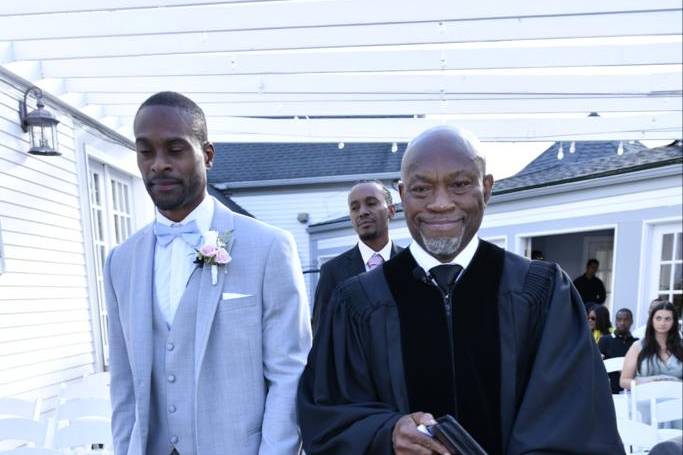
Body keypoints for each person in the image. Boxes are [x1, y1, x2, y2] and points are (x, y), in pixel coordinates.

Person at [298, 126, 624, 454]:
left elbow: (575, 419)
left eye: (460, 184)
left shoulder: (541, 292)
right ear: (402, 194)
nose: (440, 204)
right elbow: (327, 417)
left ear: (486, 188)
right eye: (421, 188)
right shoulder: (357, 302)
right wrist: (386, 433)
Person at [105, 91, 312, 455]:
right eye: (146, 151)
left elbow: (289, 375)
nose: (158, 164)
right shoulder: (121, 261)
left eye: (175, 149)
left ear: (208, 155)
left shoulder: (268, 247)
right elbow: (123, 385)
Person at [311, 180, 402, 334]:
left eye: (371, 203)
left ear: (391, 211)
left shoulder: (410, 264)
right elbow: (322, 334)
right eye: (355, 208)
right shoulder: (332, 272)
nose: (362, 212)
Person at [620, 300, 683, 390]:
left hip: (676, 400)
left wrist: (673, 383)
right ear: (652, 320)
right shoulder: (637, 346)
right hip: (645, 400)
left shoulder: (681, 346)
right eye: (658, 318)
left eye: (667, 319)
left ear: (674, 321)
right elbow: (624, 381)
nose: (662, 323)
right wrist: (652, 382)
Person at [598, 308, 638, 393]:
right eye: (619, 319)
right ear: (615, 321)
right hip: (609, 389)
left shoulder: (636, 343)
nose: (622, 323)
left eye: (626, 320)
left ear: (631, 322)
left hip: (631, 389)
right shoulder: (605, 340)